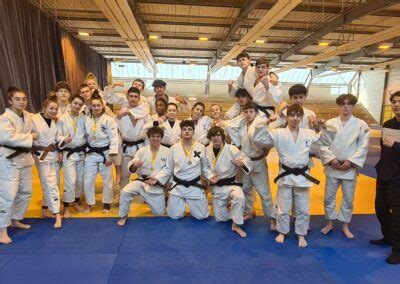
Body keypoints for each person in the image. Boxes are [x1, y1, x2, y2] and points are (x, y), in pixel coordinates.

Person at [251, 104, 324, 247]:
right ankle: (282, 231)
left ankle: (301, 234)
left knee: (303, 208)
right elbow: (258, 137)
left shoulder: (308, 133)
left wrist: (322, 126)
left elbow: (325, 140)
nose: (295, 118)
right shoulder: (278, 133)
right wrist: (267, 122)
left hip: (303, 176)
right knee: (283, 208)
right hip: (285, 175)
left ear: (302, 117)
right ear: (287, 117)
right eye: (292, 115)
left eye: (298, 115)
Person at [319, 94, 370, 239]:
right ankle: (329, 222)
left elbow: (363, 146)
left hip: (350, 168)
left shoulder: (361, 124)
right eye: (342, 104)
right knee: (329, 197)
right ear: (338, 106)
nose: (346, 107)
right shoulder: (330, 123)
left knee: (348, 198)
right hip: (332, 166)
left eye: (349, 104)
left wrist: (351, 161)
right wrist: (331, 159)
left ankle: (345, 225)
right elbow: (323, 143)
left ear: (353, 106)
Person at [147, 120, 213, 220]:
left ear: (193, 132)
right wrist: (157, 178)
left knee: (202, 216)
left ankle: (201, 206)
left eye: (189, 129)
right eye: (184, 129)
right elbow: (168, 168)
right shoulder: (174, 148)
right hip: (178, 186)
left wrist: (211, 177)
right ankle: (183, 205)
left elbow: (205, 168)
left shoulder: (201, 147)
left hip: (194, 186)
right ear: (181, 132)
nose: (187, 131)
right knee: (174, 216)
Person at [225, 102, 277, 228]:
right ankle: (248, 212)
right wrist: (238, 144)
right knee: (246, 189)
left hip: (258, 161)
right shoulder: (242, 123)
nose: (248, 114)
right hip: (245, 161)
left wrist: (267, 148)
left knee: (264, 192)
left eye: (251, 112)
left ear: (256, 112)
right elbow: (228, 126)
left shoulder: (261, 122)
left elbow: (272, 138)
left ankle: (272, 217)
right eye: (246, 111)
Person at [0, 87, 38, 244]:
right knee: (8, 195)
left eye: (24, 99)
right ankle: (3, 229)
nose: (22, 102)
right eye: (17, 99)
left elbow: (39, 129)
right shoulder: (4, 118)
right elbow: (7, 138)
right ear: (10, 101)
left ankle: (16, 218)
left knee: (26, 192)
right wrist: (30, 136)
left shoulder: (29, 115)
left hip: (25, 159)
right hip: (10, 161)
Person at [370, 91, 400, 264]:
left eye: (399, 101)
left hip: (399, 179)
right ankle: (388, 237)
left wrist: (396, 145)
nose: (396, 104)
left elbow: (392, 147)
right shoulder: (388, 124)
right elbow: (384, 150)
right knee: (380, 209)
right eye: (394, 102)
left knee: (397, 216)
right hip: (385, 175)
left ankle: (397, 250)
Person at [118, 127, 169, 226]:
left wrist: (159, 179)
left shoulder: (167, 151)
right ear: (149, 137)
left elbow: (170, 169)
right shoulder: (142, 150)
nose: (155, 138)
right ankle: (123, 216)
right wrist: (134, 165)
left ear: (161, 138)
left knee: (160, 214)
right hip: (141, 182)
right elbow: (131, 168)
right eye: (152, 136)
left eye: (158, 136)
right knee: (125, 191)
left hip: (156, 185)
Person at [206, 126, 252, 237]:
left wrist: (243, 164)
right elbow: (205, 167)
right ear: (210, 138)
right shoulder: (206, 149)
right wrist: (210, 176)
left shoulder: (231, 148)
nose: (216, 138)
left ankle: (236, 225)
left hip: (232, 183)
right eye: (213, 136)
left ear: (222, 136)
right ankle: (244, 215)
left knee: (239, 197)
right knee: (220, 218)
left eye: (218, 135)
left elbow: (246, 159)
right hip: (217, 184)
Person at [83, 93, 119, 213]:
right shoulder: (87, 119)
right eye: (94, 105)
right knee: (88, 180)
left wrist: (111, 155)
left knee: (107, 180)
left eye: (98, 105)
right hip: (91, 153)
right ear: (91, 107)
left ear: (103, 106)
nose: (96, 107)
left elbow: (114, 138)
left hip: (105, 153)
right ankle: (90, 203)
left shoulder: (109, 120)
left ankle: (106, 203)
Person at [31, 95, 62, 228]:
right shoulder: (33, 119)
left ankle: (44, 210)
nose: (54, 111)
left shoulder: (55, 121)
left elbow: (57, 138)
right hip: (42, 156)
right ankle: (57, 214)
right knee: (51, 185)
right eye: (51, 108)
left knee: (52, 183)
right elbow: (26, 135)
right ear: (44, 108)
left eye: (56, 109)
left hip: (54, 156)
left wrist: (62, 144)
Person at [57, 94, 87, 218]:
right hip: (68, 154)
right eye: (75, 103)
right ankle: (66, 207)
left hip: (81, 153)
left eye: (80, 104)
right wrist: (64, 139)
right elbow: (57, 135)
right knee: (70, 181)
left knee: (80, 180)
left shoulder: (84, 118)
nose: (77, 106)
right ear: (71, 103)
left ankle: (75, 201)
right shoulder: (62, 118)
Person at [115, 87, 149, 189]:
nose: (133, 98)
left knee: (143, 174)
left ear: (139, 99)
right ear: (127, 97)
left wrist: (148, 150)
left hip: (141, 147)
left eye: (135, 97)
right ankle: (122, 196)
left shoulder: (145, 114)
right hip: (126, 148)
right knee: (125, 175)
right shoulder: (120, 114)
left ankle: (146, 196)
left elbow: (148, 133)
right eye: (131, 96)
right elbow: (116, 133)